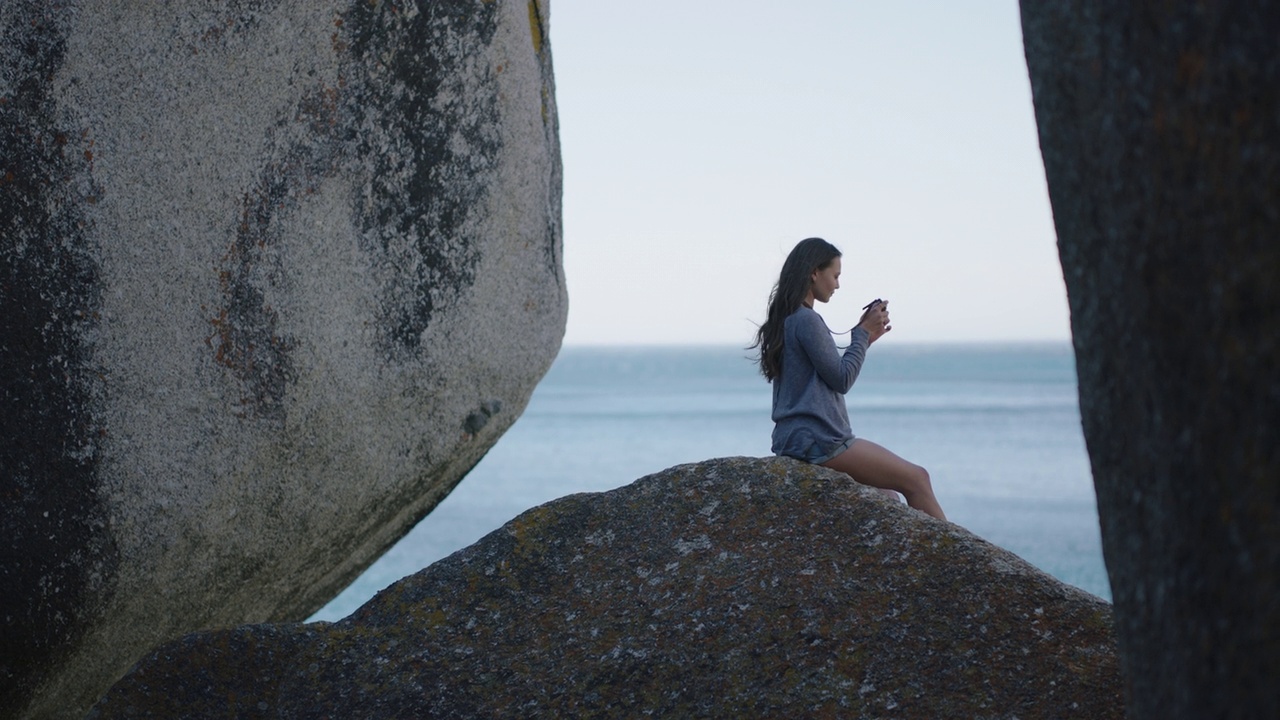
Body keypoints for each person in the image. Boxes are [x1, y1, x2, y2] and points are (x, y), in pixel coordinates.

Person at [752, 237, 947, 520]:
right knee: (917, 479)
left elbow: (830, 372)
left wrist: (864, 340)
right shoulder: (806, 320)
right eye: (835, 275)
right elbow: (842, 379)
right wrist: (861, 335)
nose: (837, 284)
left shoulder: (790, 318)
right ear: (814, 273)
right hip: (818, 440)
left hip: (795, 439)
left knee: (888, 498)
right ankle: (950, 563)